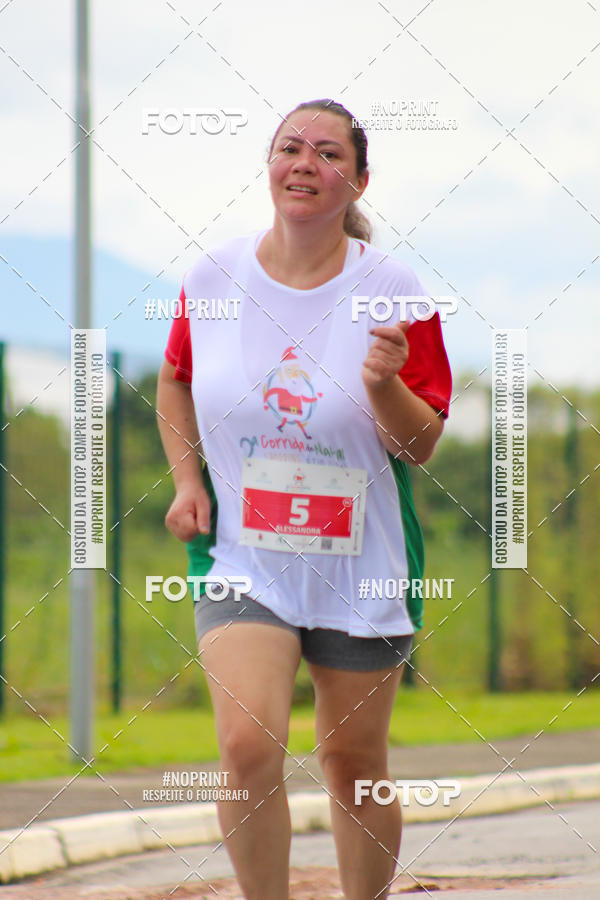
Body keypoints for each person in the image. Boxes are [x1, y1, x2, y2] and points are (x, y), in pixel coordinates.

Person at [157, 98, 452, 900]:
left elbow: (420, 443)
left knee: (354, 766)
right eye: (292, 148)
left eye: (328, 154)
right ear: (269, 164)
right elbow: (176, 378)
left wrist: (384, 384)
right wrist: (188, 481)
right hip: (243, 552)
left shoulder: (393, 288)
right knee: (248, 745)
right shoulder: (212, 275)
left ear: (357, 180)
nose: (306, 164)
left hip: (362, 559)